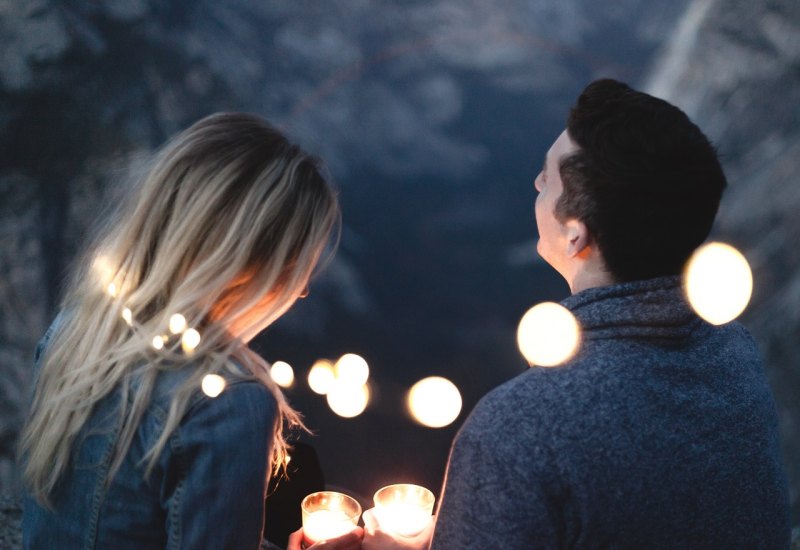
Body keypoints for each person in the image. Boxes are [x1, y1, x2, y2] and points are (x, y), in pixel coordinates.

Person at [370, 79, 792, 549]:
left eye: (546, 178)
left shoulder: (516, 430)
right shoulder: (736, 357)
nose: (535, 183)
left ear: (576, 236)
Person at [19, 113, 362, 550]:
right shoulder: (228, 400)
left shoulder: (73, 332)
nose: (302, 291)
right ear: (246, 262)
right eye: (295, 268)